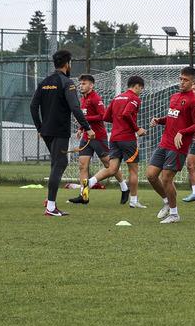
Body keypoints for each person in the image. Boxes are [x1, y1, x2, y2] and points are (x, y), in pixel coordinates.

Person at [30, 50, 94, 217]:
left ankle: (50, 202)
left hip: (47, 131)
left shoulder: (44, 82)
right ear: (67, 64)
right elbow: (75, 107)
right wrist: (87, 127)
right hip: (59, 131)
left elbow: (33, 107)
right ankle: (51, 207)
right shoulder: (67, 82)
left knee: (56, 164)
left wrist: (40, 128)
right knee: (60, 164)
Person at [147, 66, 195, 224]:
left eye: (185, 80)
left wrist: (182, 132)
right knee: (151, 175)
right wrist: (159, 120)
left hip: (178, 146)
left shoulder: (193, 100)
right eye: (180, 79)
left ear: (192, 82)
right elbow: (173, 118)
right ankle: (166, 201)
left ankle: (174, 214)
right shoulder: (175, 96)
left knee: (166, 178)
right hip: (164, 142)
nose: (182, 82)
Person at [80, 75, 146, 207]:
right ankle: (134, 201)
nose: (141, 91)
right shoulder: (135, 98)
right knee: (133, 170)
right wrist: (137, 129)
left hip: (114, 138)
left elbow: (105, 116)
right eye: (141, 89)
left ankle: (90, 183)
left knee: (112, 168)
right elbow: (127, 114)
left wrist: (118, 122)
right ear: (137, 86)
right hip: (127, 139)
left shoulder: (117, 98)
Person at [74, 74, 111, 189]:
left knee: (109, 165)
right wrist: (81, 128)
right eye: (80, 83)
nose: (81, 86)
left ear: (91, 85)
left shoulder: (96, 98)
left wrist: (85, 119)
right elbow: (85, 115)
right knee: (82, 166)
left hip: (98, 137)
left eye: (84, 83)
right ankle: (83, 194)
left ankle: (124, 186)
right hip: (86, 137)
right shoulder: (83, 99)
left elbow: (103, 116)